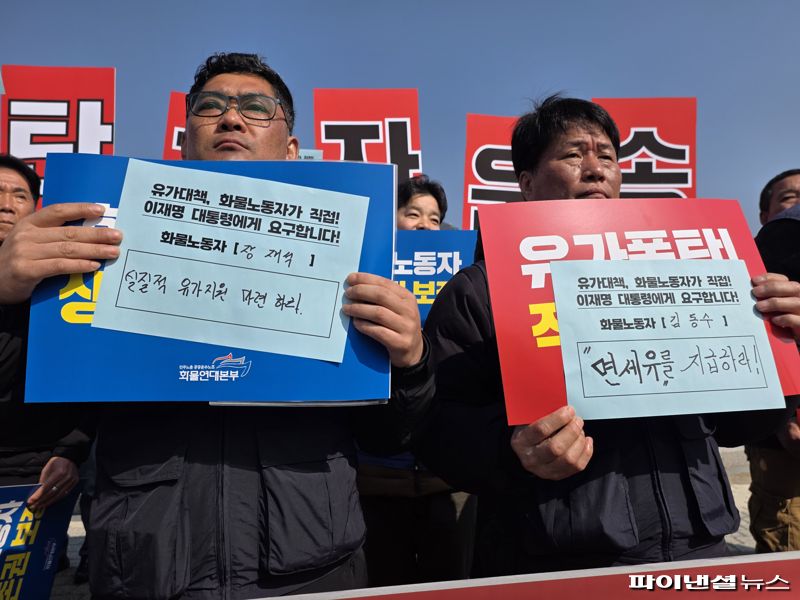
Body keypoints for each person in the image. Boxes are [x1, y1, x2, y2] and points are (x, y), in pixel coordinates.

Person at [80, 53, 430, 599]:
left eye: (256, 108)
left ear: (292, 147)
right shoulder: (106, 241)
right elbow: (53, 414)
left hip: (310, 568)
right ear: (182, 139)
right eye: (210, 107)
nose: (231, 119)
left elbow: (389, 435)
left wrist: (410, 366)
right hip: (147, 566)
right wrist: (8, 300)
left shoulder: (350, 255)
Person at [414, 95, 800, 576]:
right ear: (527, 182)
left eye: (608, 157)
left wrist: (781, 342)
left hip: (700, 553)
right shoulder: (478, 290)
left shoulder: (682, 274)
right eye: (573, 155)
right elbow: (436, 428)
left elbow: (740, 426)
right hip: (557, 567)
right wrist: (510, 450)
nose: (596, 170)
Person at [358, 174, 476, 585]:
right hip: (376, 481)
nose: (425, 225)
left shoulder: (462, 286)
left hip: (446, 484)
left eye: (435, 217)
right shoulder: (366, 276)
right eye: (413, 214)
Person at [0, 154, 94, 510]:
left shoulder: (67, 279)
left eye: (20, 195)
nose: (7, 205)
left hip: (40, 466)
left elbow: (84, 372)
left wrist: (71, 450)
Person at [746, 173, 800, 553]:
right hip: (782, 452)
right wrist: (782, 423)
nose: (797, 207)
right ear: (764, 215)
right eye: (789, 198)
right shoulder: (751, 273)